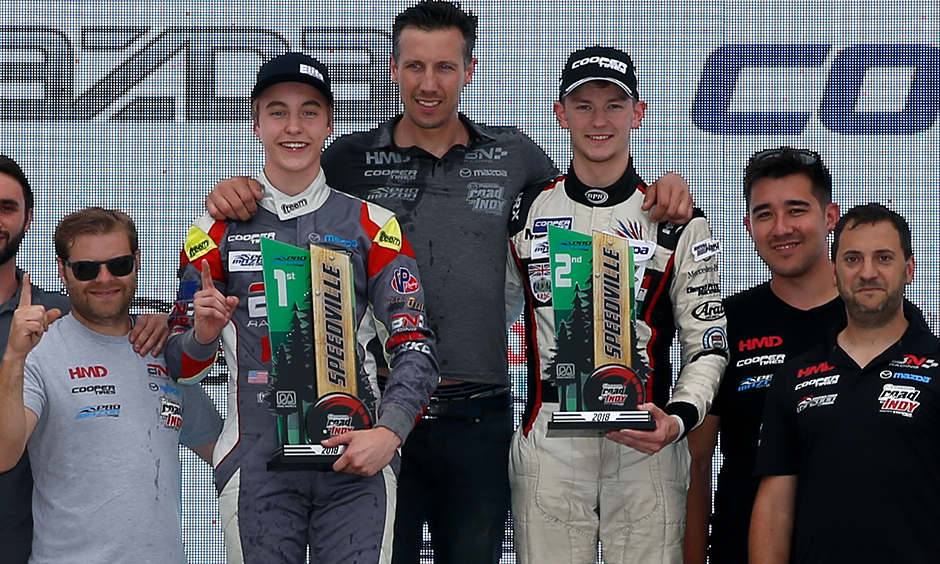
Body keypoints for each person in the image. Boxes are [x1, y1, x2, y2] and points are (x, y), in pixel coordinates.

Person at [204, 3, 694, 562]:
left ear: (470, 69)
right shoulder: (348, 157)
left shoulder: (514, 155)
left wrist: (663, 186)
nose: (429, 84)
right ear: (393, 69)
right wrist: (238, 189)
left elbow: (585, 197)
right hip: (373, 416)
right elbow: (291, 190)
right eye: (415, 66)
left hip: (478, 418)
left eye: (444, 67)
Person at [165, 52, 439, 564]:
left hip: (355, 461)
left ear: (330, 124)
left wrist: (390, 432)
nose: (294, 126)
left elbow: (416, 348)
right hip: (257, 464)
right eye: (278, 112)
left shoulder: (373, 225)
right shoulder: (213, 232)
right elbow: (179, 366)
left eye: (309, 112)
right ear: (256, 123)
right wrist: (202, 335)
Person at [506, 46, 728, 564]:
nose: (599, 120)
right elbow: (485, 309)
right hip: (552, 438)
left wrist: (676, 420)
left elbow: (708, 343)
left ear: (639, 113)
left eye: (614, 105)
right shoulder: (525, 211)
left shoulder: (678, 221)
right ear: (560, 114)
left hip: (646, 441)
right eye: (583, 105)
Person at [0, 206, 220, 563]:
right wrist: (12, 357)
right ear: (62, 270)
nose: (104, 279)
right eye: (86, 269)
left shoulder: (163, 347)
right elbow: (3, 454)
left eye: (119, 265)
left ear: (137, 262)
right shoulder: (40, 352)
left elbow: (224, 452)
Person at [750, 203, 939, 564]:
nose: (867, 272)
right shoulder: (793, 377)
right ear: (835, 272)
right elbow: (774, 508)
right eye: (853, 259)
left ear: (910, 269)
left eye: (883, 258)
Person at [684, 147, 841, 564]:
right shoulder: (726, 322)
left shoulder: (879, 317)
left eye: (796, 210)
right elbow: (696, 463)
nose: (781, 228)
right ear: (748, 226)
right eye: (765, 214)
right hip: (740, 548)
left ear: (830, 217)